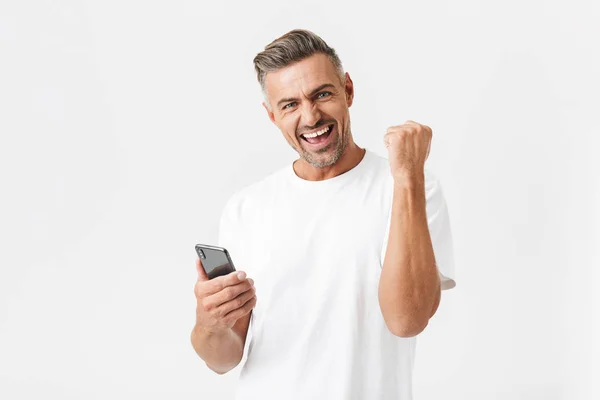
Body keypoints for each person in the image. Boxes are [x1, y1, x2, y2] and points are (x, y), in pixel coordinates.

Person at [190, 29, 457, 400]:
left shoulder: (409, 187)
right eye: (289, 105)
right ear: (271, 115)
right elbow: (222, 359)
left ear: (348, 90)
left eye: (322, 94)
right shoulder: (247, 208)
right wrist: (209, 323)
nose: (311, 116)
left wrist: (408, 175)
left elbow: (407, 320)